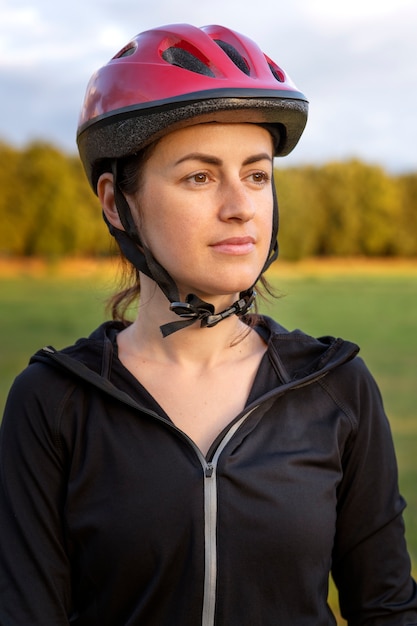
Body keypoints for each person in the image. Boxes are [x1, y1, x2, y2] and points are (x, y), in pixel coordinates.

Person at [0, 23, 416, 626]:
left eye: (256, 174)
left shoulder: (336, 386)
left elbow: (388, 610)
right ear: (117, 202)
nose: (241, 205)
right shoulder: (54, 403)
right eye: (199, 175)